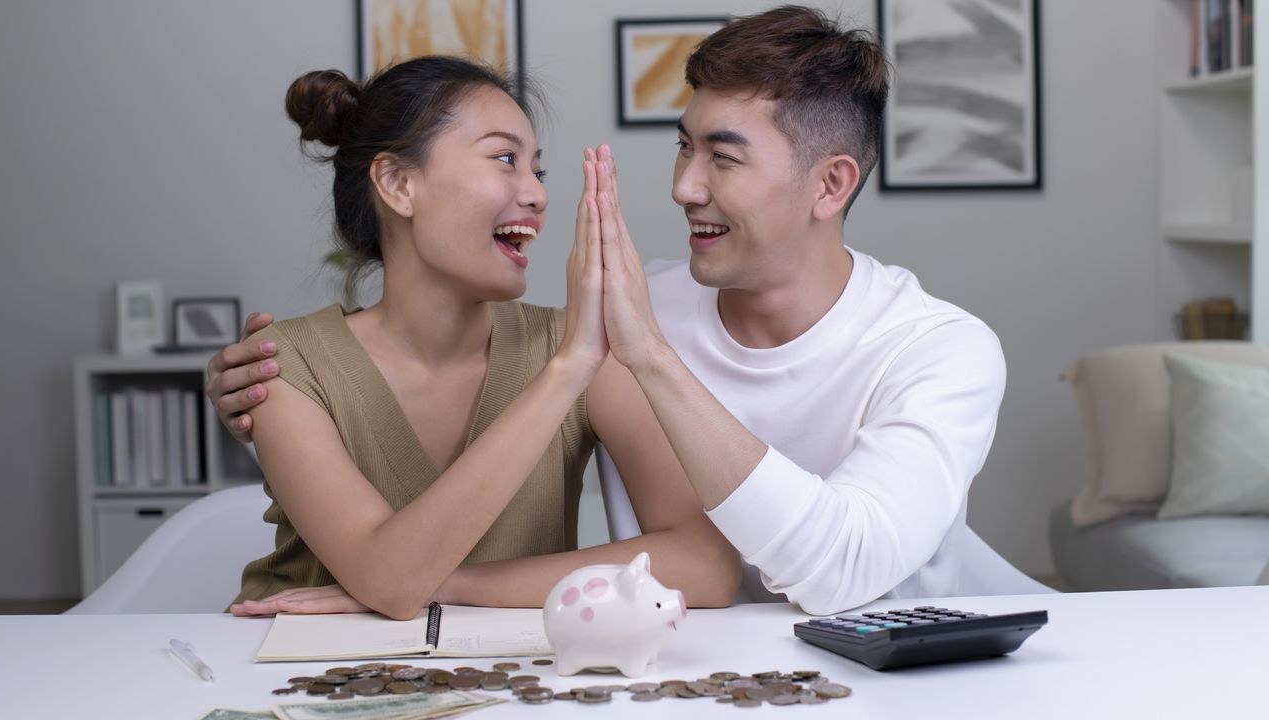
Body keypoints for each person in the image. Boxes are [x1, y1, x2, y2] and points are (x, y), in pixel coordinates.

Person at [212, 6, 1006, 617]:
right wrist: (243, 378)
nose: (683, 187)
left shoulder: (941, 351)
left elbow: (794, 565)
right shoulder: (612, 317)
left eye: (722, 157)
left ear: (829, 186)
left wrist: (428, 585)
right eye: (683, 148)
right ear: (397, 185)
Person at [216, 55, 739, 620]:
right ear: (397, 184)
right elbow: (389, 584)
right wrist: (567, 371)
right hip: (291, 683)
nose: (537, 195)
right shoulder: (284, 366)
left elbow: (706, 565)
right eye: (505, 159)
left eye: (537, 171)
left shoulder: (571, 347)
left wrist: (455, 584)